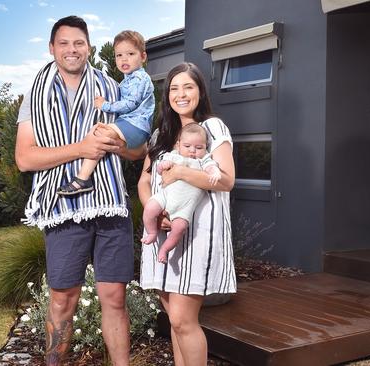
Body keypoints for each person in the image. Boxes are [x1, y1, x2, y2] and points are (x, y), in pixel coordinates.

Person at [15, 15, 146, 366]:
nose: (71, 50)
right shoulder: (35, 95)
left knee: (115, 297)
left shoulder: (114, 89)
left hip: (110, 204)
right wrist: (82, 148)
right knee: (62, 300)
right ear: (52, 48)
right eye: (64, 43)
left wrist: (115, 144)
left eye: (78, 43)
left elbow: (138, 150)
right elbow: (25, 158)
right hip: (62, 206)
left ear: (88, 47)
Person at [139, 62, 236, 366]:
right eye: (174, 88)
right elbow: (144, 181)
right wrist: (153, 213)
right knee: (174, 322)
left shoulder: (212, 127)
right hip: (162, 236)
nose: (181, 94)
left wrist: (180, 171)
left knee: (183, 321)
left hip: (196, 236)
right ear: (167, 94)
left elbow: (226, 180)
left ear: (200, 91)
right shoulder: (160, 136)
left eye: (188, 87)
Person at [57, 30, 154, 196]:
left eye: (130, 54)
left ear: (143, 57)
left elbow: (131, 104)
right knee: (99, 132)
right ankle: (85, 177)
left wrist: (105, 105)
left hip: (136, 125)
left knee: (100, 133)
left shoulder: (140, 79)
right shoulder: (127, 80)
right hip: (130, 124)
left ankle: (83, 179)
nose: (124, 59)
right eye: (119, 55)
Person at [141, 123, 221, 264]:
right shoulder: (174, 156)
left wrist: (215, 172)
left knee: (179, 228)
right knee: (149, 208)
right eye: (187, 146)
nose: (192, 151)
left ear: (205, 147)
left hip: (185, 206)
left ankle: (164, 249)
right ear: (178, 145)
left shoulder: (204, 160)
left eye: (199, 147)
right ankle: (152, 232)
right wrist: (163, 166)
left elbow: (212, 167)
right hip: (166, 196)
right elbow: (160, 169)